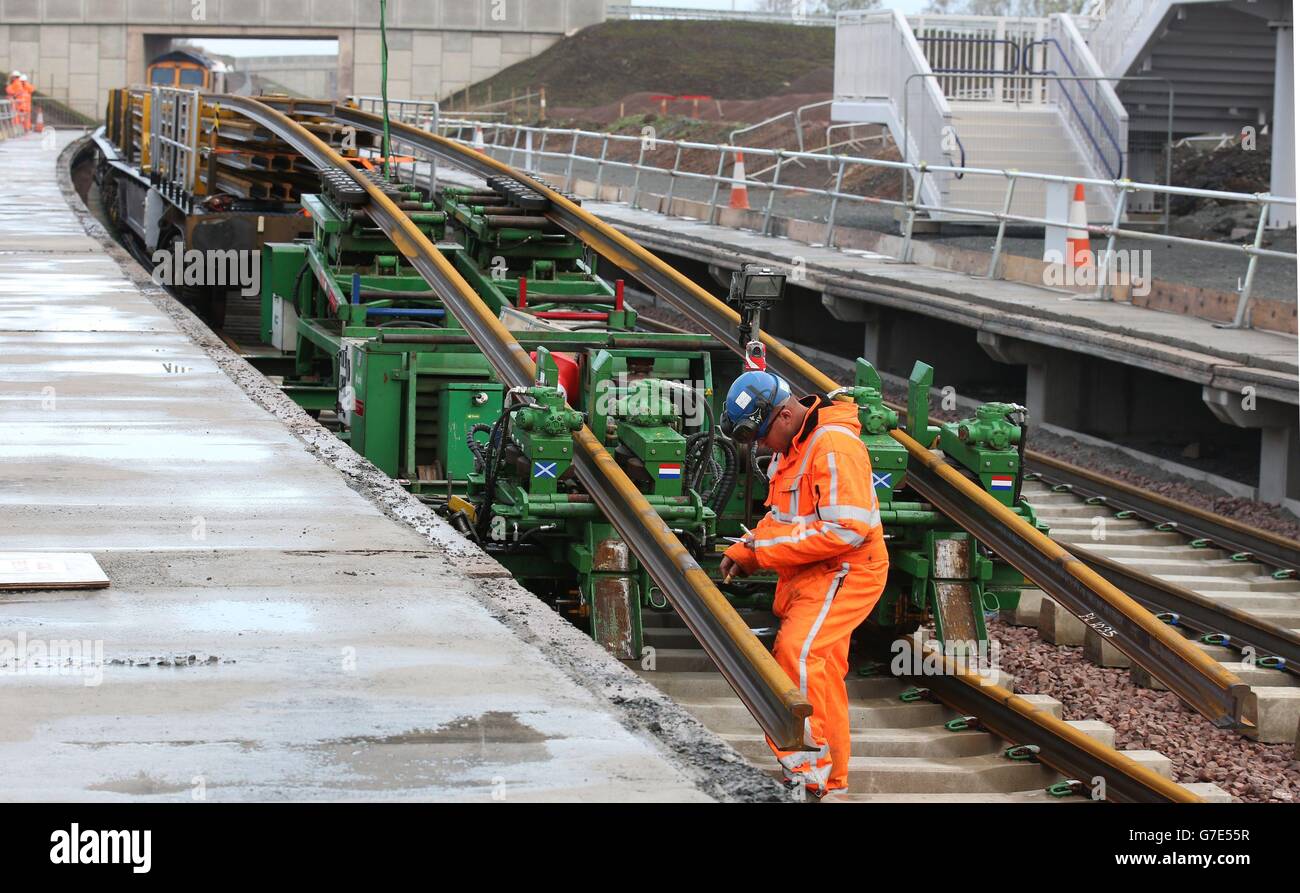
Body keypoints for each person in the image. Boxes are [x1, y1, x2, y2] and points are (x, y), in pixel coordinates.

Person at [719, 370, 889, 797]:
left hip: (846, 570)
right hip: (815, 572)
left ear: (784, 415)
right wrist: (747, 548)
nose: (760, 446)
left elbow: (845, 530)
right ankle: (830, 781)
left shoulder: (832, 445)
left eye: (761, 436)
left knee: (798, 655)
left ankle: (808, 775)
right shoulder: (792, 448)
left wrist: (764, 554)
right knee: (823, 670)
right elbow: (782, 519)